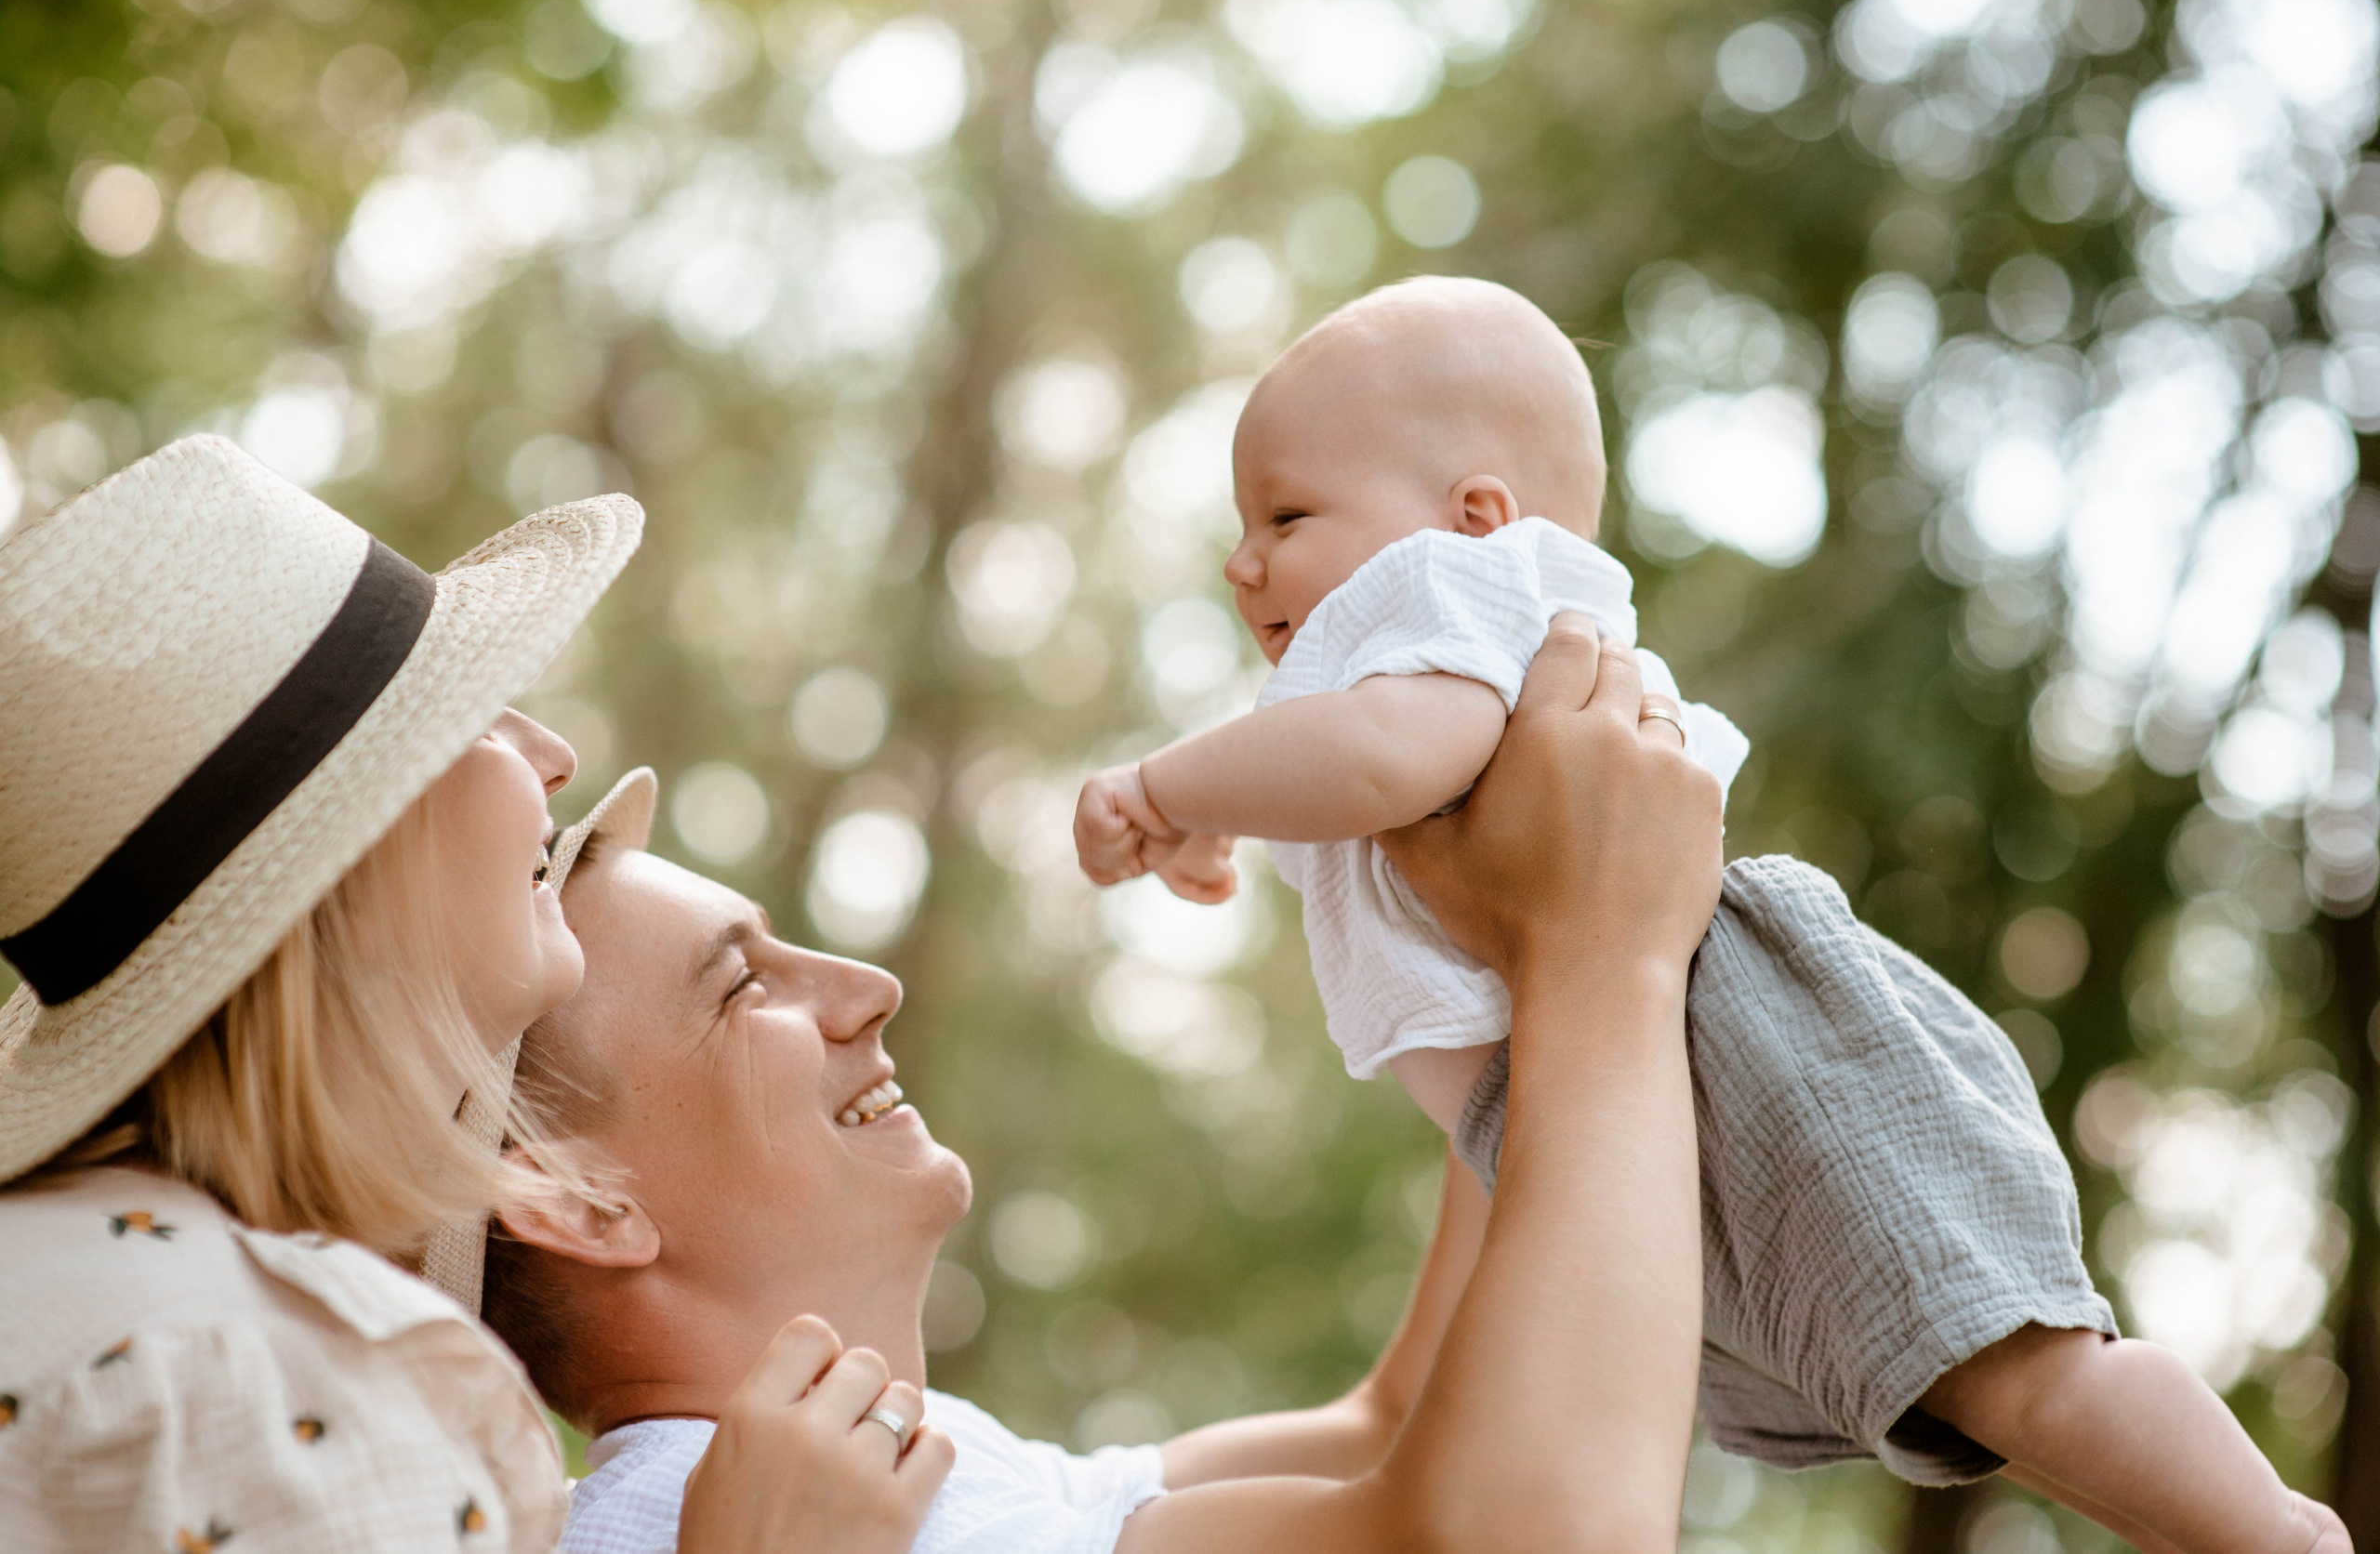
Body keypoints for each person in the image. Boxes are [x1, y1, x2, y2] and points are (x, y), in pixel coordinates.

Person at [1072, 277, 2345, 1554]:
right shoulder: (1390, 660)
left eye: (1284, 514)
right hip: (1628, 1090)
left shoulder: (1465, 600)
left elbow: (1383, 761)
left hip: (1731, 1039)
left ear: (1474, 519)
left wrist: (1167, 783)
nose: (1242, 561)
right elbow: (1355, 764)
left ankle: (2281, 1533)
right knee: (1965, 1393)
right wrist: (1233, 808)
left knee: (2012, 1362)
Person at [478, 614, 1722, 1553]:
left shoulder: (916, 1474)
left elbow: (1391, 1433)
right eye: (744, 988)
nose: (865, 988)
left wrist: (1475, 971)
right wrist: (1602, 949)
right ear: (581, 1200)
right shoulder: (728, 1520)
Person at [0, 436, 951, 1552]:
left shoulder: (112, 1305)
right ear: (351, 861)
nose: (549, 753)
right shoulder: (257, 1380)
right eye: (471, 716)